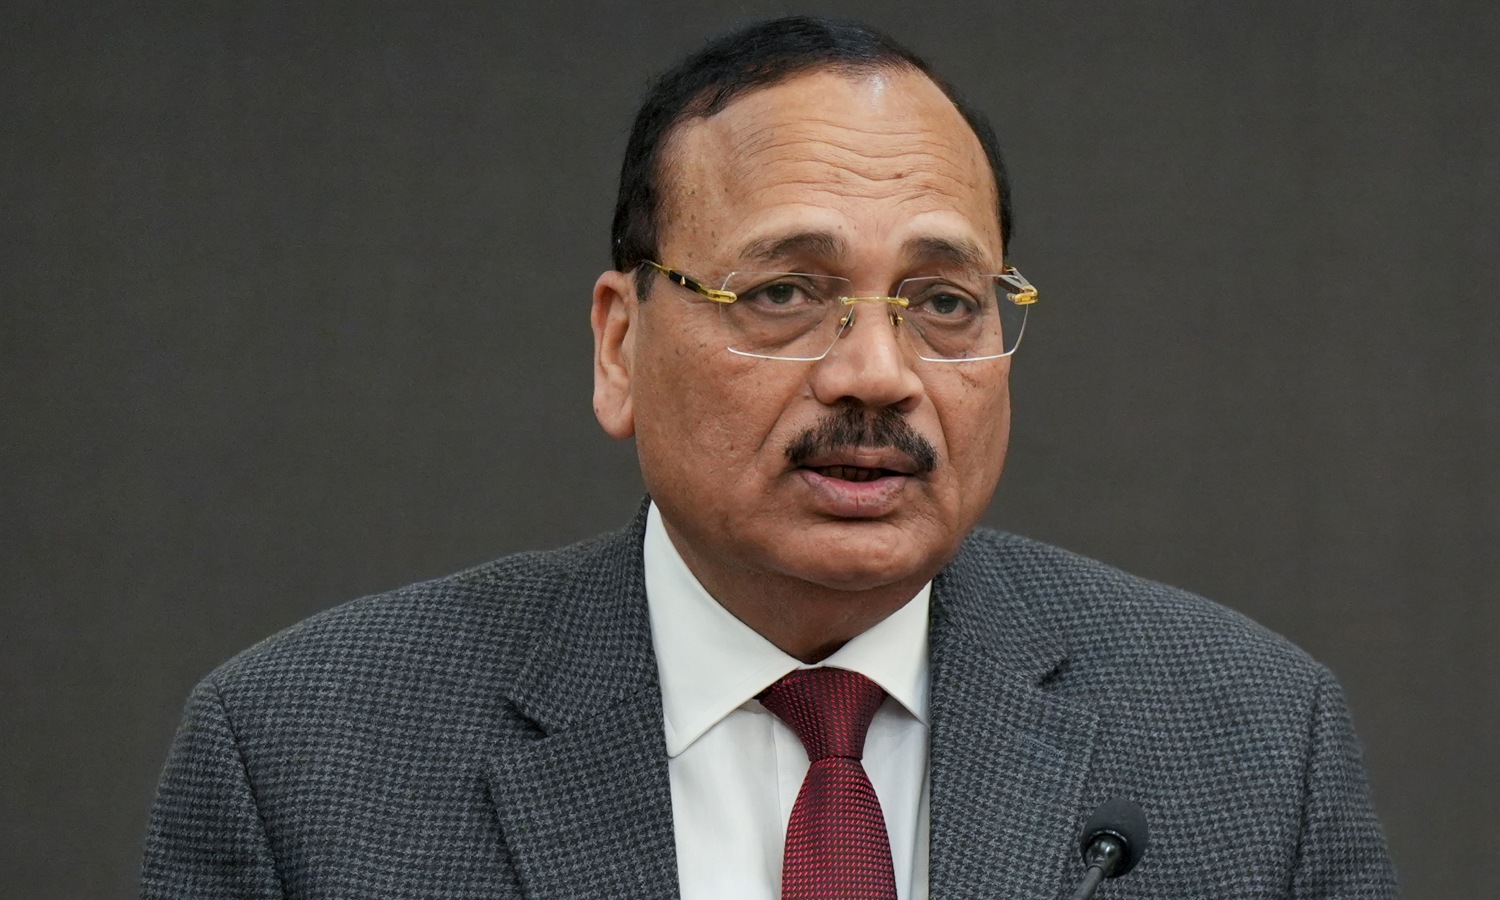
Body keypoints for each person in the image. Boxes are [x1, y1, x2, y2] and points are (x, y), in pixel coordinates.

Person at [141, 16, 1397, 899]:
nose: (877, 373)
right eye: (787, 292)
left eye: (943, 302)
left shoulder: (1248, 742)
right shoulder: (305, 759)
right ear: (621, 345)